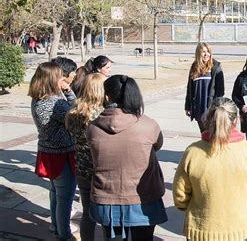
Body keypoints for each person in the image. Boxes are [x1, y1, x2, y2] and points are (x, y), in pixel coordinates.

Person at [173, 97, 247, 241]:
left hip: (203, 231)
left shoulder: (193, 152)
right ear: (237, 120)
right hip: (246, 228)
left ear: (207, 119)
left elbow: (180, 195)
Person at [87, 75, 167, 240]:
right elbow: (157, 146)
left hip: (107, 196)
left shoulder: (93, 128)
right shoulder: (149, 125)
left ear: (107, 97)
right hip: (143, 196)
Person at [28, 62, 77, 240]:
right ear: (52, 79)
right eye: (59, 76)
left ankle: (56, 226)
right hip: (61, 154)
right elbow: (77, 113)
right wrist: (69, 92)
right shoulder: (55, 103)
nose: (63, 79)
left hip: (48, 151)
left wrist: (65, 91)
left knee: (56, 192)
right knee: (65, 198)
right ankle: (64, 234)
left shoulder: (38, 98)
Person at [65, 73, 105, 241]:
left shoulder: (73, 112)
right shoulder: (101, 115)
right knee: (105, 214)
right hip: (99, 170)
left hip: (81, 168)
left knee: (88, 212)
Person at [185, 43, 224, 132]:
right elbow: (189, 88)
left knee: (212, 135)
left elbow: (220, 91)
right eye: (203, 52)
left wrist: (217, 107)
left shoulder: (216, 67)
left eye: (208, 51)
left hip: (211, 108)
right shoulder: (194, 67)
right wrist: (188, 106)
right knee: (204, 134)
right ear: (198, 53)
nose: (206, 54)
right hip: (198, 107)